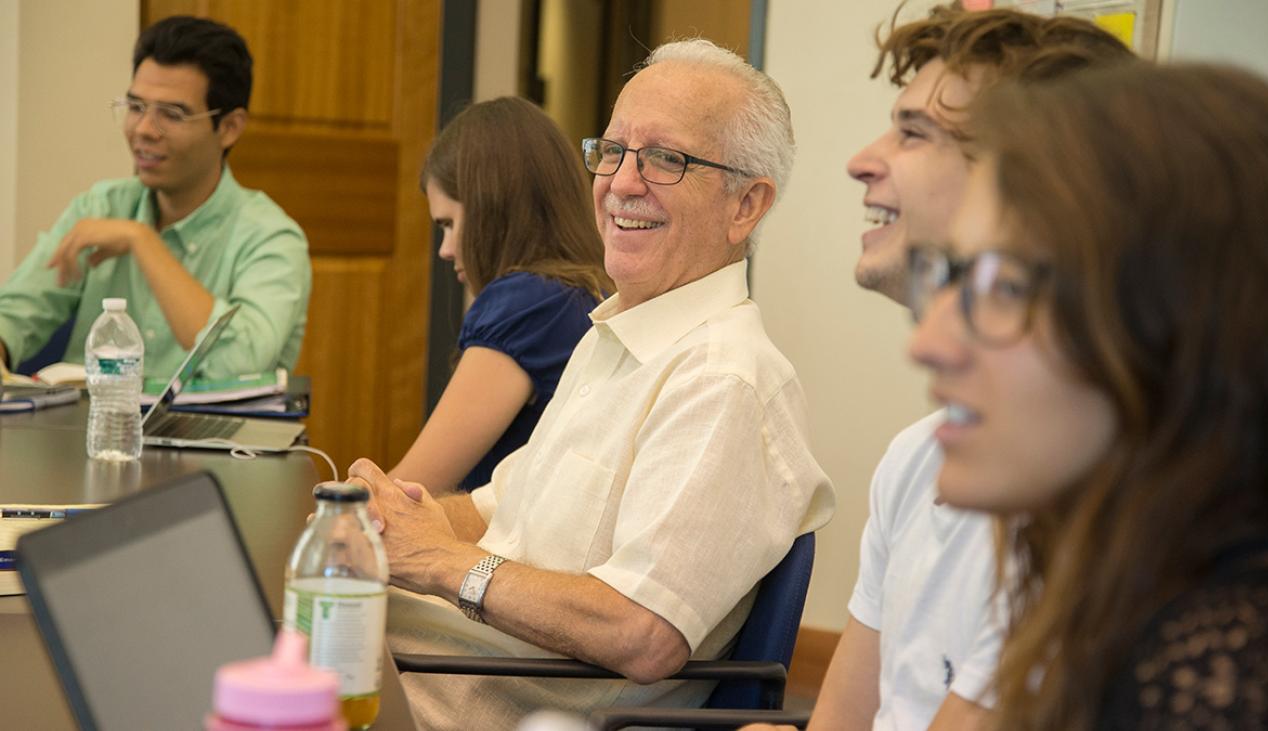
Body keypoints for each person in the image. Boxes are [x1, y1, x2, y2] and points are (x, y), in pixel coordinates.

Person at [346, 38, 835, 729]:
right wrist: (387, 513)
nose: (621, 183)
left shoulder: (726, 380)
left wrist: (436, 560)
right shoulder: (613, 335)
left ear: (746, 206)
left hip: (470, 700)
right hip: (416, 659)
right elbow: (497, 505)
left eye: (666, 159)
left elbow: (642, 628)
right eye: (612, 151)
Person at [744, 6, 1133, 730]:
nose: (862, 158)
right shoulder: (918, 458)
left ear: (1032, 181)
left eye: (914, 132)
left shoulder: (1094, 493)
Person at [907, 61, 1268, 729]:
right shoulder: (1166, 603)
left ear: (1176, 318)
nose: (928, 341)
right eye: (951, 275)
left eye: (1005, 285)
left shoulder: (1217, 685)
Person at [0, 15, 309, 380]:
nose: (144, 130)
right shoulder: (100, 207)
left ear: (228, 128)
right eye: (135, 107)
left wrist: (142, 239)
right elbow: (16, 315)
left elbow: (238, 362)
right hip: (88, 431)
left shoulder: (271, 238)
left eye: (172, 114)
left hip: (213, 437)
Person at [388, 97, 612, 494]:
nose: (445, 249)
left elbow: (408, 491)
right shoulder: (590, 292)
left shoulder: (527, 303)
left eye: (449, 224)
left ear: (492, 208)